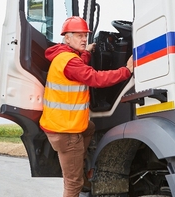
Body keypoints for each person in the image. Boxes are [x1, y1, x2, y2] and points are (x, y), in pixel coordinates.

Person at [39, 16, 134, 197]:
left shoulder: (65, 56)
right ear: (67, 38)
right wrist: (126, 71)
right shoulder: (70, 62)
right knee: (73, 185)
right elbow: (96, 78)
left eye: (85, 36)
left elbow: (79, 62)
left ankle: (80, 164)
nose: (84, 39)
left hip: (61, 125)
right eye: (78, 36)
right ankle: (78, 170)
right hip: (66, 132)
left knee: (90, 128)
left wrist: (87, 51)